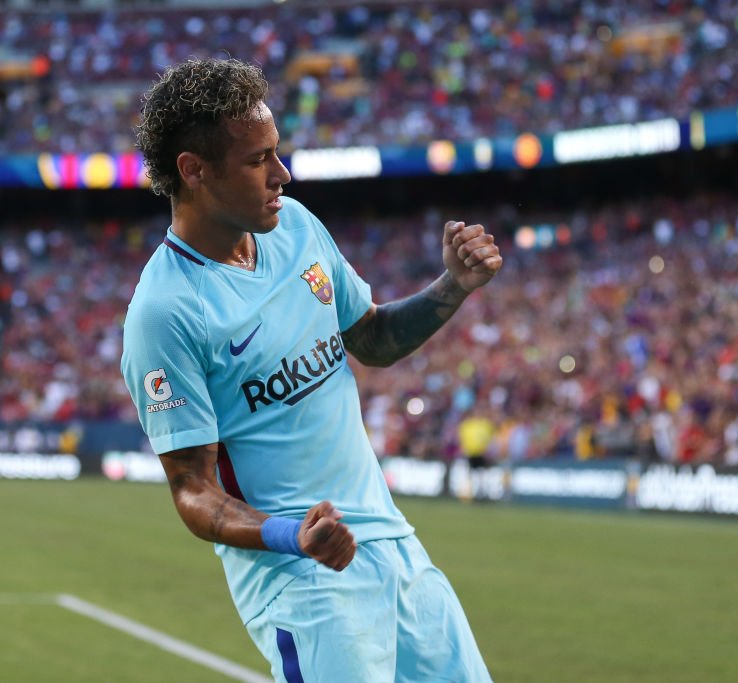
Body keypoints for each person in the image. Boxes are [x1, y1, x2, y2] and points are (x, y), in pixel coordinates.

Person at [120, 58, 500, 682]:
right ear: (194, 170)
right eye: (258, 160)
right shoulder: (166, 312)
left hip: (396, 546)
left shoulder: (295, 226)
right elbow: (192, 490)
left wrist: (452, 286)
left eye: (277, 152)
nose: (282, 173)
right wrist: (291, 535)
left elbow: (371, 338)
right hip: (305, 581)